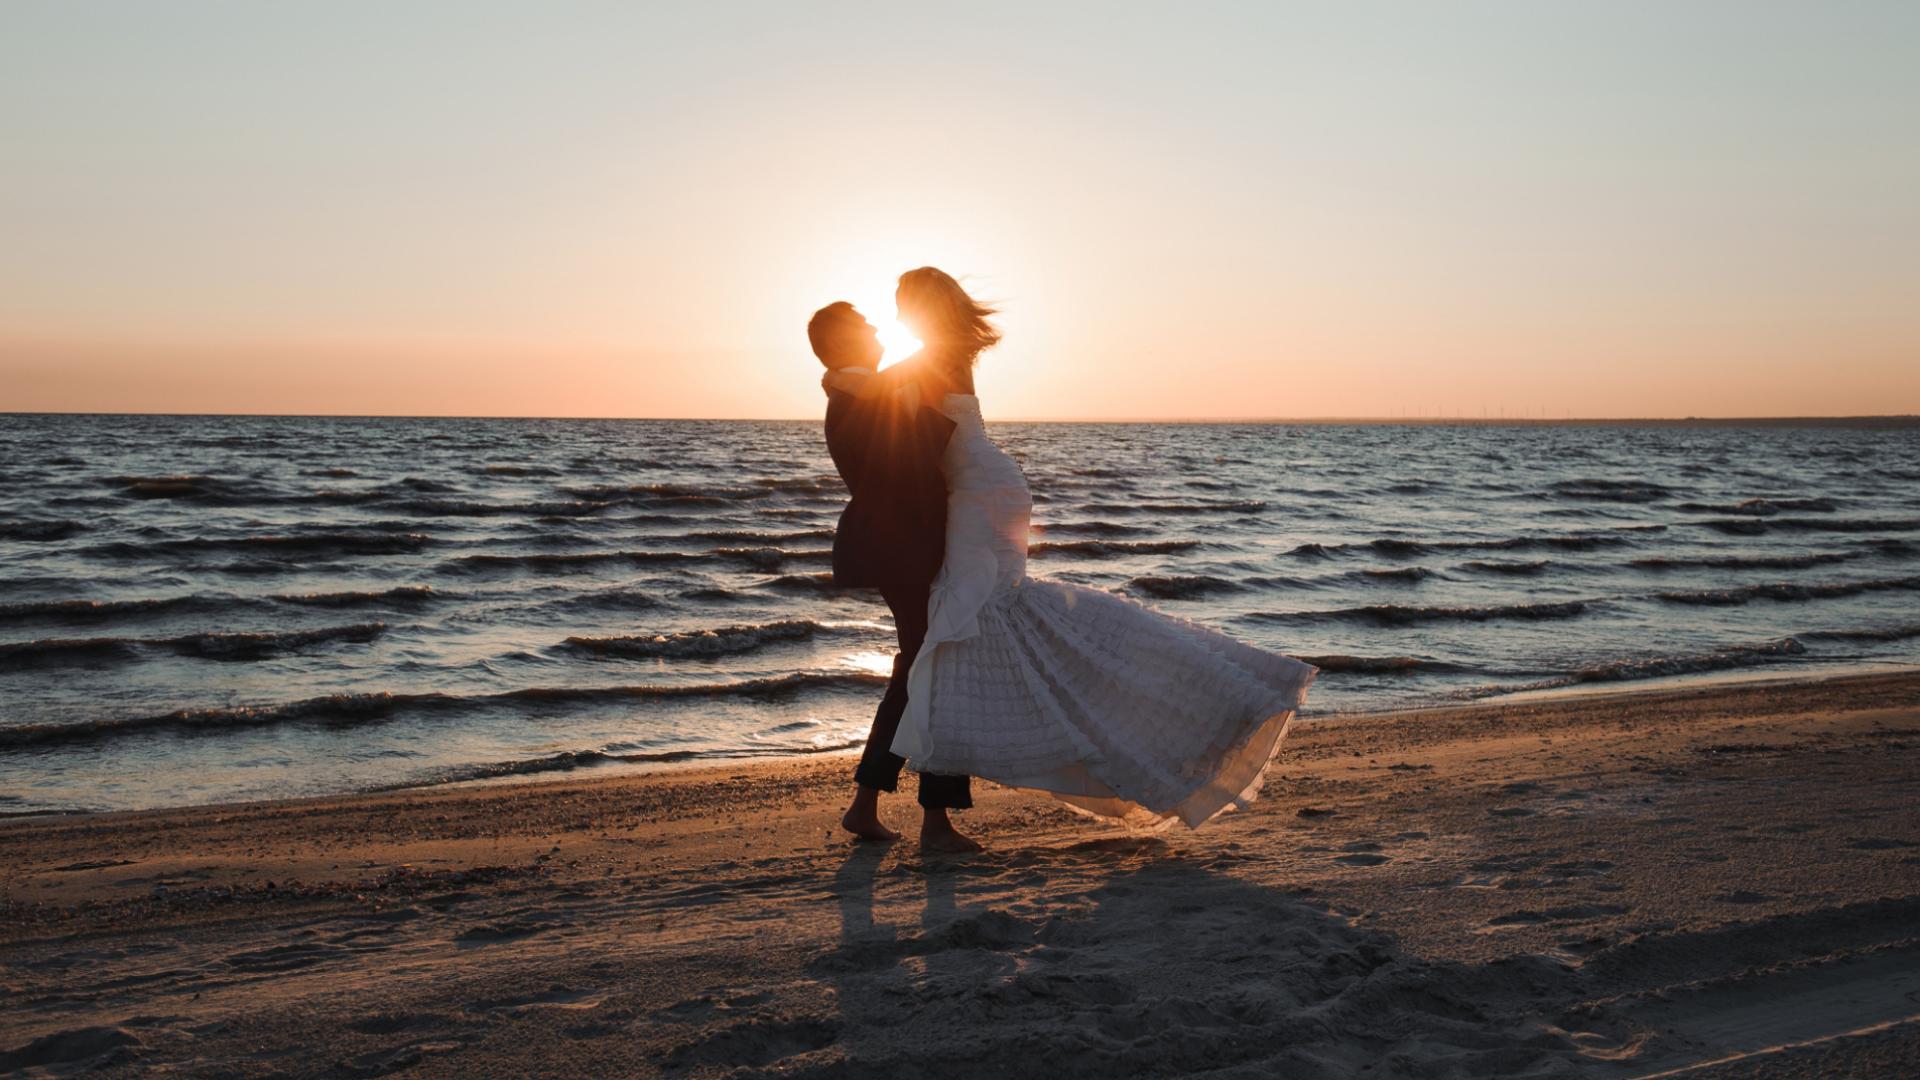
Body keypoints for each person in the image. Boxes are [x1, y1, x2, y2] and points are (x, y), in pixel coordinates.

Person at [823, 268, 1317, 830]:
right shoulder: (942, 353)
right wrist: (851, 381)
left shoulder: (934, 357)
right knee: (953, 644)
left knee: (952, 643)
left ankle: (927, 814)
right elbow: (890, 405)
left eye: (900, 303)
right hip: (985, 491)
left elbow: (887, 404)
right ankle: (922, 814)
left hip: (979, 500)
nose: (894, 314)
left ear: (921, 308)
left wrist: (842, 379)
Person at [810, 301, 980, 852]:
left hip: (911, 548)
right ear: (841, 344)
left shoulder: (867, 391)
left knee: (920, 670)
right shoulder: (855, 400)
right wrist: (938, 413)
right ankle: (932, 822)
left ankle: (870, 806)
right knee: (935, 668)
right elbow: (905, 464)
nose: (877, 329)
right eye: (863, 326)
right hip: (904, 550)